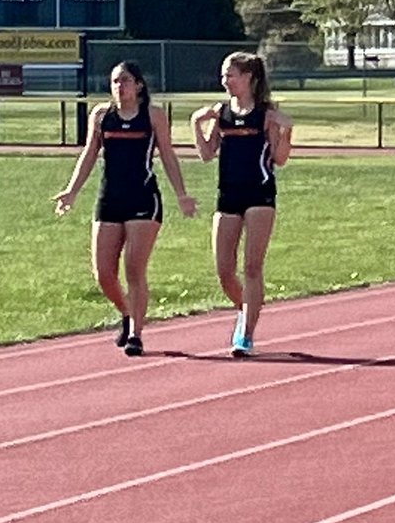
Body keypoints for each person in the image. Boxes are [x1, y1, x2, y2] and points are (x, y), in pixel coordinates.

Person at [54, 60, 198, 356]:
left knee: (134, 268)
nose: (120, 87)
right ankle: (128, 312)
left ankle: (136, 334)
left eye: (126, 81)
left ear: (139, 85)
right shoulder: (102, 115)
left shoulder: (153, 116)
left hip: (143, 199)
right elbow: (89, 154)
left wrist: (182, 194)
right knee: (103, 273)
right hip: (110, 199)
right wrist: (72, 191)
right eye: (115, 82)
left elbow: (168, 156)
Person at [190, 51, 292, 357]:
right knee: (224, 269)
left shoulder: (266, 113)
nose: (225, 81)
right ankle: (246, 307)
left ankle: (246, 335)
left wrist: (286, 131)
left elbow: (280, 159)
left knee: (252, 266)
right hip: (228, 194)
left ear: (248, 77)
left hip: (260, 194)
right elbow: (207, 154)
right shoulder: (221, 113)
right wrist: (196, 123)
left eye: (230, 75)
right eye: (223, 75)